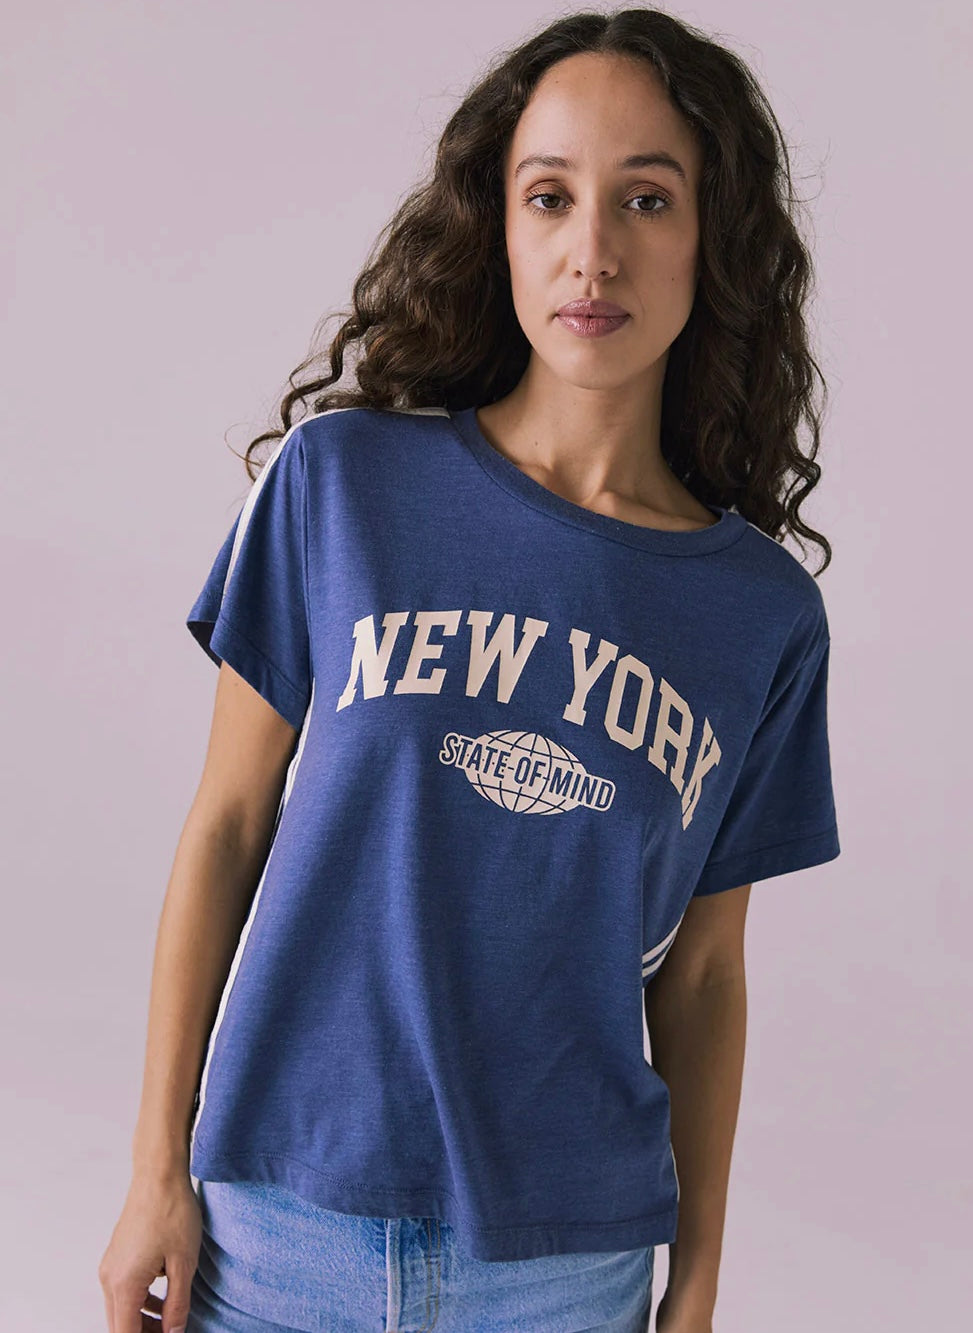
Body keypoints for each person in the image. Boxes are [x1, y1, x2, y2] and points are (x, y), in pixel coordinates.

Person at [98, 7, 841, 1332]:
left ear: (711, 237)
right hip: (278, 1234)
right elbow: (224, 826)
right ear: (498, 227)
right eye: (549, 196)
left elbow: (706, 975)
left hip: (564, 1272)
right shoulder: (343, 487)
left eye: (648, 199)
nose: (593, 250)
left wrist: (699, 1280)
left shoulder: (760, 617)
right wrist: (156, 1168)